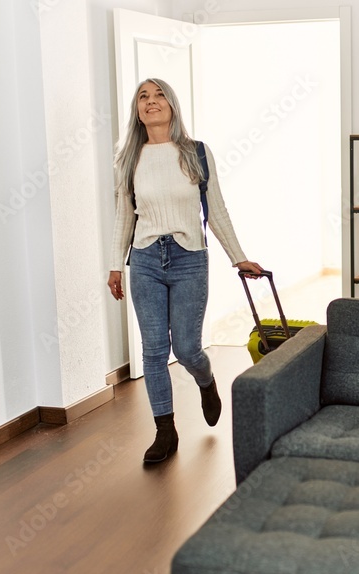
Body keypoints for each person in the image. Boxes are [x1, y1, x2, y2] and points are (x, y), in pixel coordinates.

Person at [107, 78, 263, 465]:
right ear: (137, 110)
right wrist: (114, 265)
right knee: (154, 351)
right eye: (143, 96)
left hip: (189, 256)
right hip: (144, 258)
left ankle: (206, 382)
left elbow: (217, 210)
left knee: (188, 348)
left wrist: (238, 257)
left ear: (172, 105)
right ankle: (165, 431)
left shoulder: (196, 152)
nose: (151, 101)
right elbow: (124, 215)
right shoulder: (127, 158)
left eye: (159, 94)